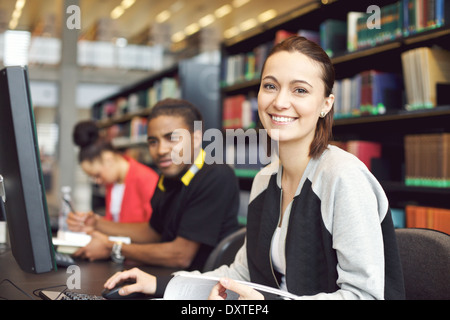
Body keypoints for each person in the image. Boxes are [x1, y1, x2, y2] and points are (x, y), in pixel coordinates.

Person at [103, 36, 405, 300]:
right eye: (270, 86)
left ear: (326, 104)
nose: (280, 101)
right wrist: (161, 284)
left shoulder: (342, 177)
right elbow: (241, 272)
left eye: (299, 90)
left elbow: (365, 296)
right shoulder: (265, 180)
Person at [68, 99, 240, 271]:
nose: (160, 150)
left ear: (195, 138)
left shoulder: (215, 175)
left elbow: (180, 256)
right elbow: (153, 232)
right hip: (165, 276)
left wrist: (112, 247)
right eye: (153, 141)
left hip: (199, 288)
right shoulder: (168, 177)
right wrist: (97, 223)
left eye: (172, 138)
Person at [72, 120, 158, 224]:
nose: (98, 181)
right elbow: (115, 223)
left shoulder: (146, 179)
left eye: (97, 175)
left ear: (108, 159)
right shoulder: (112, 184)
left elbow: (153, 229)